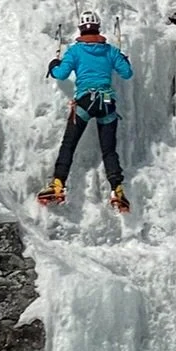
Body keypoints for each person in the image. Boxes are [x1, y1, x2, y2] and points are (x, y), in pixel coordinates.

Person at [38, 11, 134, 212]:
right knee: (109, 150)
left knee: (69, 144)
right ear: (98, 27)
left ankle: (58, 185)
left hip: (85, 102)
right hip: (106, 102)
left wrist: (54, 64)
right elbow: (126, 73)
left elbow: (61, 74)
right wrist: (124, 59)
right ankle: (117, 189)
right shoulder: (110, 51)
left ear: (81, 29)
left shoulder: (75, 51)